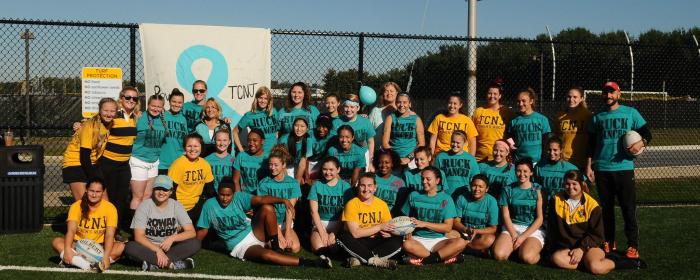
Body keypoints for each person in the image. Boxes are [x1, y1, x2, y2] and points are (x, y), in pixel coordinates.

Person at [196, 180, 332, 268]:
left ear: (233, 193)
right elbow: (203, 230)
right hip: (239, 245)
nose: (225, 198)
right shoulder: (209, 205)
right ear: (217, 192)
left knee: (267, 207)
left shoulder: (239, 197)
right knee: (266, 256)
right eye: (222, 194)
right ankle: (312, 263)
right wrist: (194, 245)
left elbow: (261, 199)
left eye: (228, 195)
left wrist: (283, 200)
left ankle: (276, 245)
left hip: (253, 231)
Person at [586, 81, 651, 259]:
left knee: (628, 208)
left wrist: (640, 142)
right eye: (606, 92)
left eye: (612, 92)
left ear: (618, 94)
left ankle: (632, 245)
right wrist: (589, 166)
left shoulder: (631, 113)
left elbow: (648, 133)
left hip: (624, 168)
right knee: (606, 209)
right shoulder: (596, 117)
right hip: (602, 168)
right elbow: (591, 145)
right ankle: (609, 240)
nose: (608, 95)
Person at [124, 175, 200, 271]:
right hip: (149, 247)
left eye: (165, 190)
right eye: (158, 189)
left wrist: (172, 238)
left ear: (171, 192)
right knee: (130, 247)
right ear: (153, 190)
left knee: (195, 243)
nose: (161, 192)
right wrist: (157, 250)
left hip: (170, 247)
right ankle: (172, 264)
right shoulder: (144, 206)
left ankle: (153, 264)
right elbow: (139, 236)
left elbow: (191, 232)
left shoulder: (176, 206)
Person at [51, 178, 124, 272]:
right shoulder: (76, 206)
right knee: (56, 242)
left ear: (103, 192)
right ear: (86, 190)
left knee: (121, 247)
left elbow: (110, 235)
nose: (94, 194)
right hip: (78, 245)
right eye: (91, 191)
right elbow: (71, 230)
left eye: (98, 192)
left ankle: (76, 262)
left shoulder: (110, 208)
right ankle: (90, 266)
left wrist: (105, 256)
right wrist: (68, 249)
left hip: (100, 247)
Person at [547, 170, 611, 275]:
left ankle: (615, 262)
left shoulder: (592, 205)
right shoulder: (556, 200)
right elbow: (552, 228)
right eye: (567, 184)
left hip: (588, 247)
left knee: (596, 268)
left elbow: (597, 235)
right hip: (568, 248)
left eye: (574, 184)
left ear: (582, 184)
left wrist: (581, 249)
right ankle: (585, 263)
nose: (570, 187)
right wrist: (551, 248)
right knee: (556, 258)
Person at [401, 166, 467, 266]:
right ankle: (443, 258)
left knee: (461, 242)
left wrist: (424, 224)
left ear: (437, 180)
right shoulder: (413, 195)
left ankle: (425, 260)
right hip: (418, 240)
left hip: (438, 241)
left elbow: (448, 227)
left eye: (428, 179)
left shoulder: (446, 199)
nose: (424, 181)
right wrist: (407, 229)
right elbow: (404, 218)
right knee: (406, 244)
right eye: (422, 178)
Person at [336, 173, 403, 269]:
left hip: (377, 240)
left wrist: (390, 233)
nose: (366, 189)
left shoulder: (382, 204)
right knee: (342, 237)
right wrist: (379, 227)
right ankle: (377, 261)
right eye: (362, 185)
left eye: (369, 186)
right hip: (359, 241)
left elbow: (388, 227)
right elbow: (355, 233)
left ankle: (359, 259)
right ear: (358, 187)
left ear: (375, 188)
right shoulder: (352, 204)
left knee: (398, 239)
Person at [98, 86, 139, 229]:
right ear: (121, 99)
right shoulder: (114, 115)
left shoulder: (135, 117)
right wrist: (79, 124)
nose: (131, 100)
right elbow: (94, 123)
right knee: (107, 199)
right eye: (128, 97)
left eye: (134, 98)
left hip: (123, 165)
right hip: (108, 163)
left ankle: (115, 229)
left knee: (120, 199)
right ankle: (102, 229)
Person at [62, 98, 116, 201]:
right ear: (99, 110)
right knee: (84, 203)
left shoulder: (110, 123)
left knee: (104, 202)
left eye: (112, 111)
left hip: (92, 163)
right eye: (105, 110)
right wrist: (94, 180)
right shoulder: (89, 126)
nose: (109, 114)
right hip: (75, 163)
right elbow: (84, 156)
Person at [492, 159, 544, 265]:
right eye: (519, 171)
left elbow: (540, 218)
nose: (522, 174)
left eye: (525, 171)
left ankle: (529, 250)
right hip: (512, 227)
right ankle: (517, 247)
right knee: (499, 255)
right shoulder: (508, 189)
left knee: (527, 258)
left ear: (531, 172)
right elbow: (506, 216)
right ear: (515, 171)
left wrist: (523, 237)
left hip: (532, 229)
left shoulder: (537, 189)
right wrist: (515, 235)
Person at [257, 145, 302, 253]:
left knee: (294, 248)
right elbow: (268, 209)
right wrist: (278, 234)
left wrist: (286, 232)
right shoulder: (264, 183)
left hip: (285, 222)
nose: (272, 168)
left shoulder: (293, 183)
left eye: (276, 165)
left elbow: (290, 209)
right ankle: (262, 240)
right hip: (270, 222)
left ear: (284, 165)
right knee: (280, 246)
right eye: (270, 165)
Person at [307, 157, 354, 253]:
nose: (327, 172)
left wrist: (334, 233)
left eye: (331, 170)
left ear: (338, 170)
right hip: (320, 223)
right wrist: (322, 232)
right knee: (319, 247)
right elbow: (313, 211)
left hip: (339, 224)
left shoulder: (345, 187)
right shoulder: (316, 185)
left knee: (335, 249)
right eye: (325, 169)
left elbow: (347, 212)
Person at [129, 94, 167, 212]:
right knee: (138, 197)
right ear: (148, 105)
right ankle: (134, 228)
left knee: (147, 196)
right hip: (139, 160)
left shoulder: (163, 119)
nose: (155, 109)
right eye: (153, 106)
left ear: (163, 108)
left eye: (159, 107)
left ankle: (143, 225)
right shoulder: (139, 117)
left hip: (154, 162)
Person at [168, 133, 214, 224]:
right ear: (185, 147)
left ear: (201, 147)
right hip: (179, 206)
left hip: (197, 205)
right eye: (189, 146)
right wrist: (176, 210)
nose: (192, 149)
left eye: (196, 146)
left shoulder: (205, 164)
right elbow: (170, 191)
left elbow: (210, 189)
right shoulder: (178, 164)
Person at [451, 174, 499, 253]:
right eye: (474, 186)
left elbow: (493, 228)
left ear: (486, 189)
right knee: (448, 234)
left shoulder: (491, 201)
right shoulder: (462, 198)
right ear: (470, 186)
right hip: (463, 232)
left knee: (490, 239)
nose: (477, 189)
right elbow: (455, 222)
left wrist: (476, 231)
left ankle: (462, 247)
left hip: (480, 234)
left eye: (481, 187)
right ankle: (474, 249)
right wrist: (465, 229)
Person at [506, 88, 552, 164]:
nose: (520, 104)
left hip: (537, 162)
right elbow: (510, 137)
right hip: (519, 161)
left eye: (523, 101)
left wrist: (544, 159)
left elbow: (546, 142)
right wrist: (512, 147)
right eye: (518, 101)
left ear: (531, 101)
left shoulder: (542, 119)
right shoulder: (514, 121)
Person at [332, 93, 376, 172]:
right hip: (342, 156)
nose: (349, 110)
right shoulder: (336, 122)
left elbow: (370, 142)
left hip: (362, 157)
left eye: (352, 107)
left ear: (358, 108)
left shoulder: (365, 121)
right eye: (346, 106)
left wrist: (370, 162)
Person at [473, 82, 514, 161]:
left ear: (500, 96)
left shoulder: (506, 112)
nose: (492, 96)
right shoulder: (478, 112)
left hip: (500, 157)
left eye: (495, 94)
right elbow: (472, 136)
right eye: (489, 93)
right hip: (479, 158)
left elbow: (512, 134)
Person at [382, 92, 425, 166]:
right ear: (395, 103)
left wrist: (409, 158)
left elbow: (421, 144)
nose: (402, 105)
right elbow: (385, 143)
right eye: (399, 102)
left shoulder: (417, 119)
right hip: (394, 158)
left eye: (405, 102)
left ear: (409, 104)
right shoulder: (390, 118)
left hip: (412, 159)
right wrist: (396, 158)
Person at [534, 137, 580, 205]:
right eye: (549, 150)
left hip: (564, 205)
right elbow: (534, 186)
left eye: (555, 150)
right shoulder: (539, 166)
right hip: (544, 204)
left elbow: (582, 187)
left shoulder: (571, 168)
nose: (552, 153)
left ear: (561, 150)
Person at [433, 130, 480, 196]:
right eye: (453, 142)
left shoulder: (471, 159)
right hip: (445, 195)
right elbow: (435, 177)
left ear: (465, 143)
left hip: (464, 196)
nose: (455, 145)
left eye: (458, 143)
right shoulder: (441, 157)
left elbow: (475, 178)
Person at [555, 86, 592, 170]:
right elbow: (556, 137)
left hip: (581, 160)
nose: (571, 99)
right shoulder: (559, 116)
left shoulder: (587, 116)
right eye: (569, 97)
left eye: (575, 97)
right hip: (563, 159)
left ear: (581, 98)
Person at [233, 86, 278, 155]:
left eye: (266, 98)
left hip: (273, 153)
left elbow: (277, 130)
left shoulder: (274, 112)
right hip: (258, 155)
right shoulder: (249, 115)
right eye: (260, 98)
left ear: (269, 100)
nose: (263, 101)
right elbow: (235, 131)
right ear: (256, 99)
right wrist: (241, 151)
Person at [158, 89, 188, 175]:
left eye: (179, 102)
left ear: (182, 104)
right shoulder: (162, 115)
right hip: (162, 164)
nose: (176, 105)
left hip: (178, 162)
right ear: (169, 101)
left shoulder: (183, 119)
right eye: (174, 101)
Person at [278, 117, 314, 184]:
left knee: (300, 183)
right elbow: (281, 162)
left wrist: (298, 180)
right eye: (296, 125)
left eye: (302, 126)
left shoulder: (308, 140)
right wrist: (287, 180)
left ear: (307, 128)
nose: (299, 129)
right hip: (285, 166)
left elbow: (303, 163)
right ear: (292, 127)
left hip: (297, 165)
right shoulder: (284, 140)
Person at [233, 129, 267, 194]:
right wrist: (239, 197)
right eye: (249, 140)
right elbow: (235, 180)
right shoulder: (241, 156)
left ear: (262, 141)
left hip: (263, 196)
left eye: (255, 140)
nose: (251, 143)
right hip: (245, 196)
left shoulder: (268, 157)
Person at [373, 149, 406, 215]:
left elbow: (400, 205)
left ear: (392, 164)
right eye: (380, 162)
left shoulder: (399, 182)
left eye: (387, 162)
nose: (383, 165)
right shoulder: (372, 178)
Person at [204, 129, 234, 195]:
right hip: (211, 195)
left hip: (228, 196)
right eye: (219, 140)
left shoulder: (233, 160)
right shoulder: (206, 160)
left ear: (229, 141)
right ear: (214, 141)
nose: (221, 143)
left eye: (225, 140)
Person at [309, 115, 334, 179]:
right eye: (319, 126)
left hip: (323, 162)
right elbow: (305, 157)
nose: (321, 129)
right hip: (309, 161)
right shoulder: (310, 134)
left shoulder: (333, 136)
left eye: (324, 127)